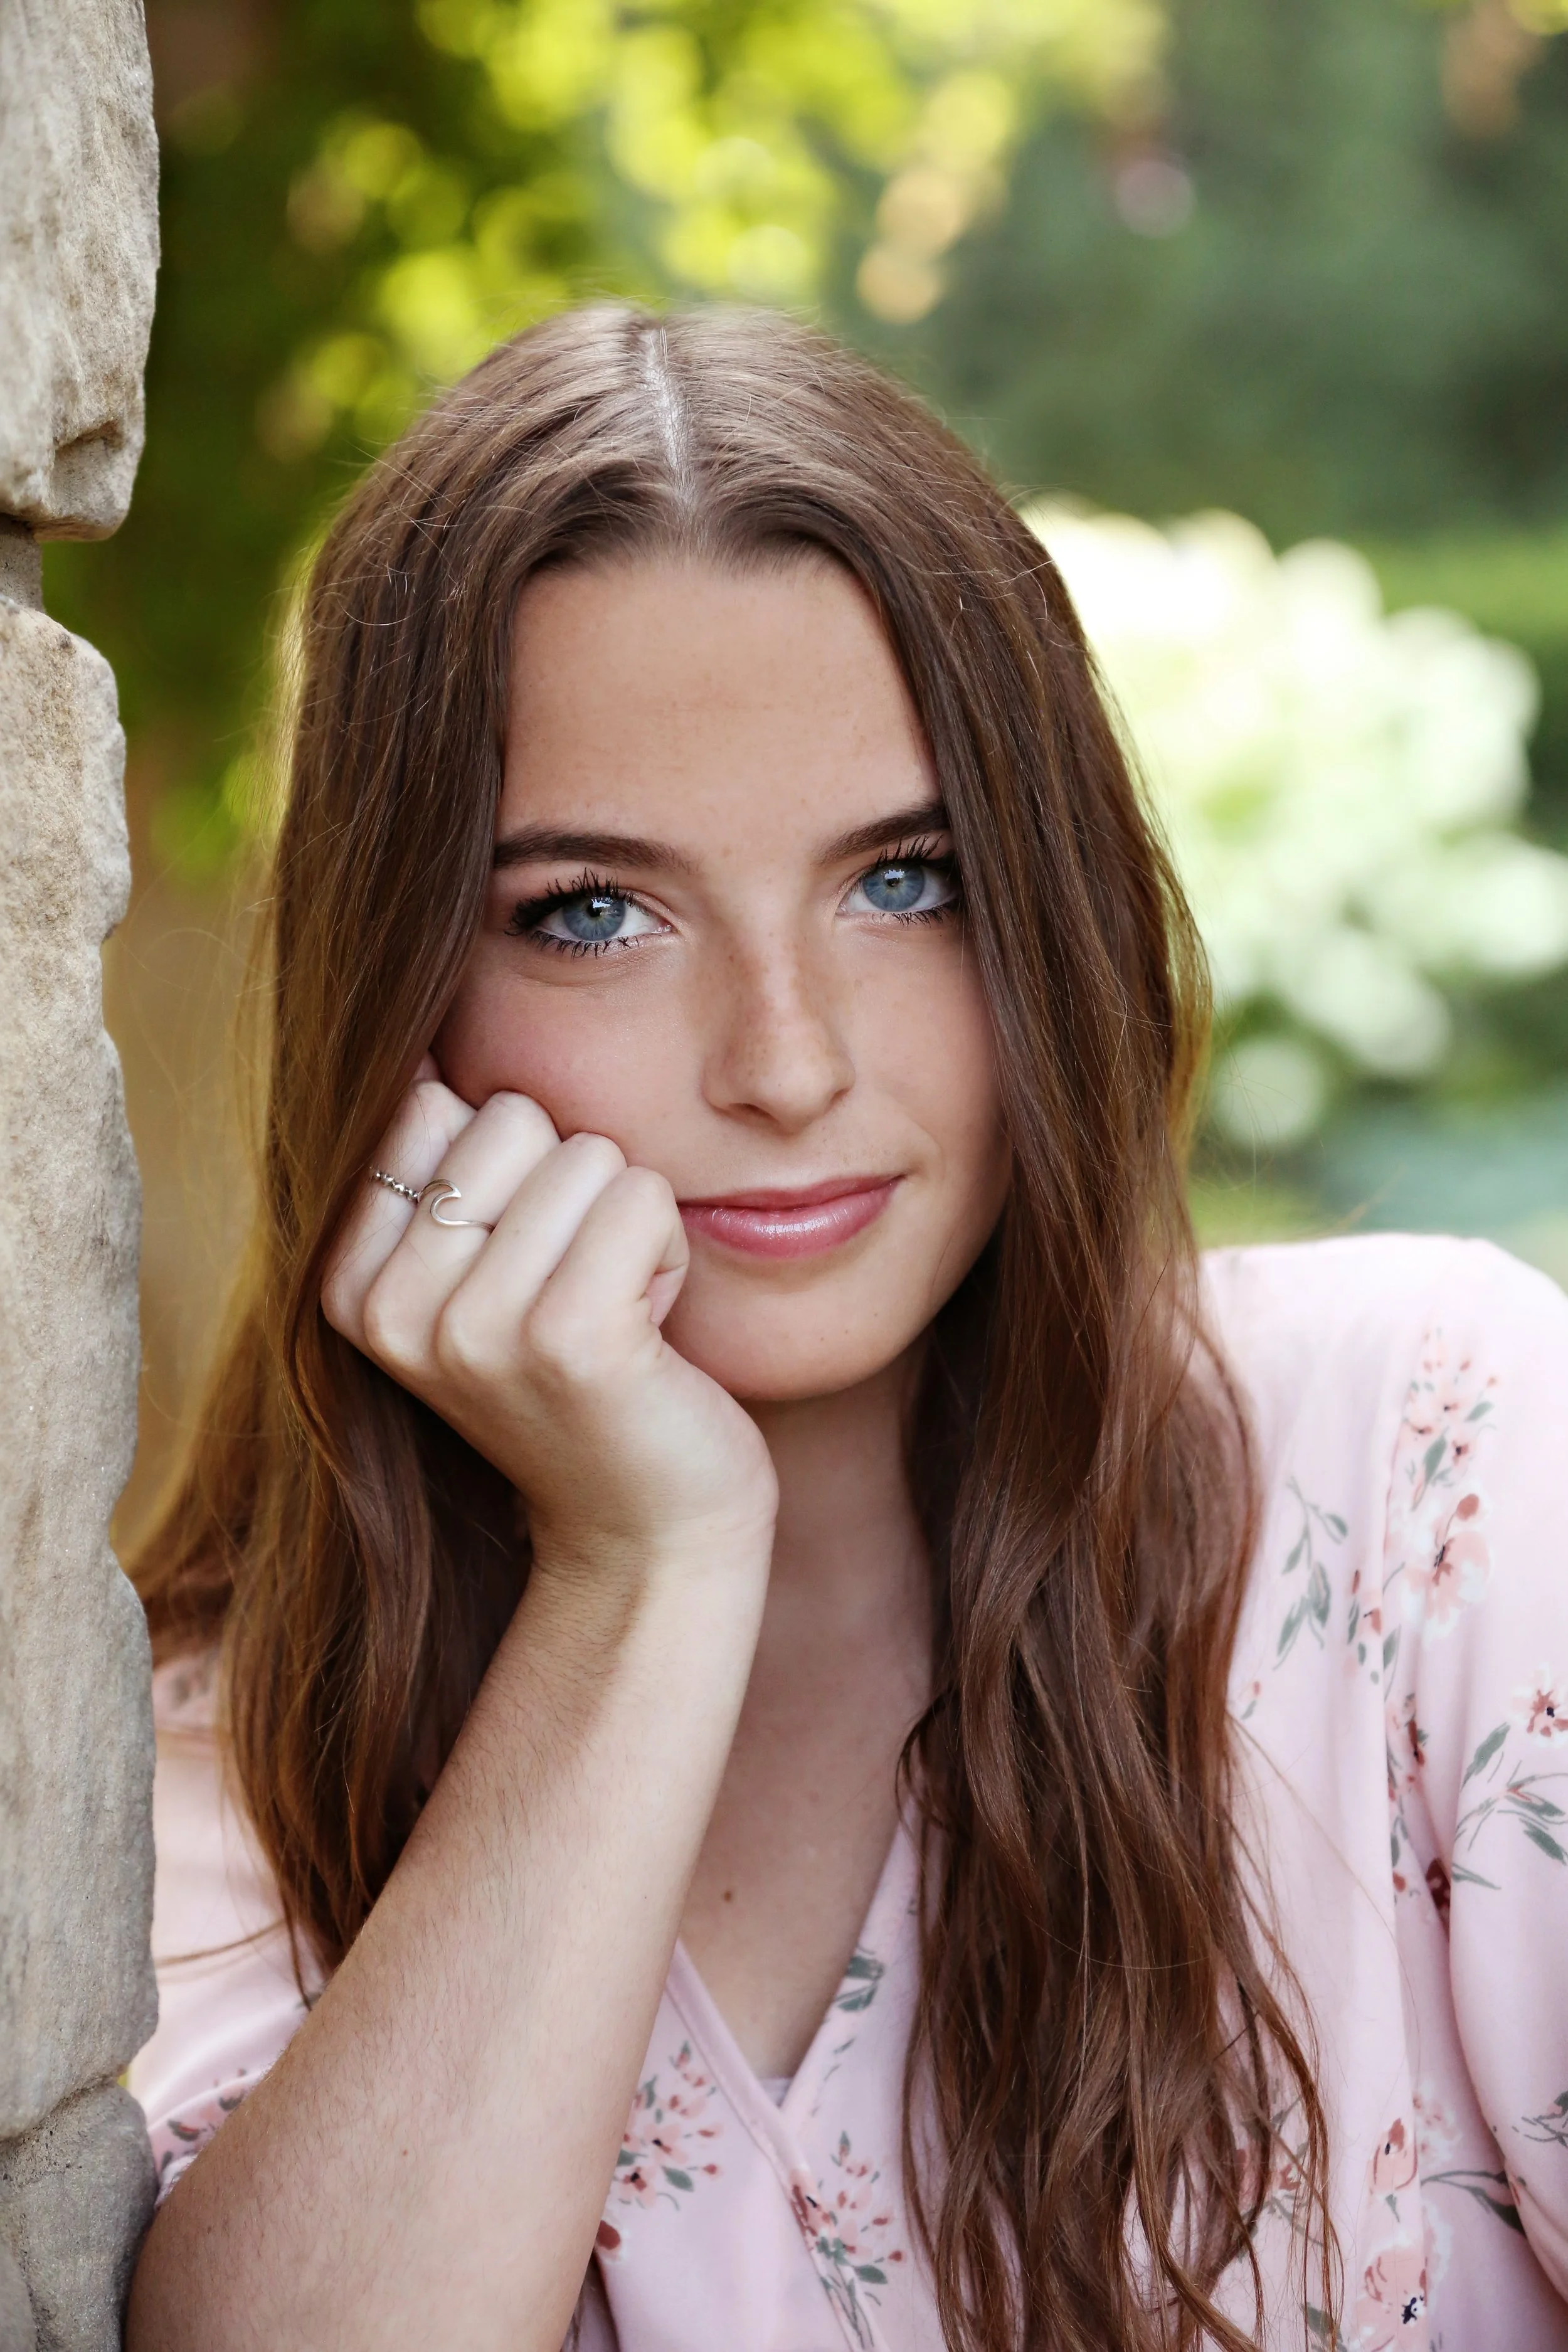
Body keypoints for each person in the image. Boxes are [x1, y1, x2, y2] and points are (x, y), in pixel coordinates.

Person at [124, 305, 1568, 2352]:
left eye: (905, 881)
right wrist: (640, 1567)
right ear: (399, 998)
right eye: (590, 913)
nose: (786, 1064)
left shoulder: (1437, 1465)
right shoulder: (215, 1749)